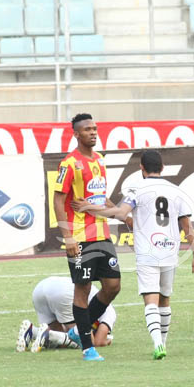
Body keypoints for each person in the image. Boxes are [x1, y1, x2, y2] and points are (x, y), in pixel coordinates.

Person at [74, 150, 194, 359]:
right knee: (165, 300)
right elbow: (187, 227)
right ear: (162, 168)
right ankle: (164, 343)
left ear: (141, 168)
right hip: (170, 252)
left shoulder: (136, 189)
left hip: (147, 253)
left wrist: (88, 207)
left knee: (151, 300)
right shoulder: (176, 191)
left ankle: (157, 344)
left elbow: (120, 213)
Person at [52, 113, 121, 362]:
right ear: (76, 134)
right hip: (80, 237)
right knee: (83, 289)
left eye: (95, 128)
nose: (93, 132)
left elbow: (100, 197)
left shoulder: (100, 160)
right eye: (87, 129)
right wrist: (68, 237)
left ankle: (77, 331)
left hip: (102, 234)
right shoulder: (69, 163)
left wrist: (120, 214)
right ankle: (87, 347)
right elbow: (58, 200)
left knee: (113, 286)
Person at [16, 276, 116, 353]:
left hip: (41, 288)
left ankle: (32, 331)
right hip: (63, 293)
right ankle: (45, 334)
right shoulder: (110, 312)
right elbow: (98, 342)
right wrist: (106, 341)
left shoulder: (99, 303)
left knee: (58, 338)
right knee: (84, 340)